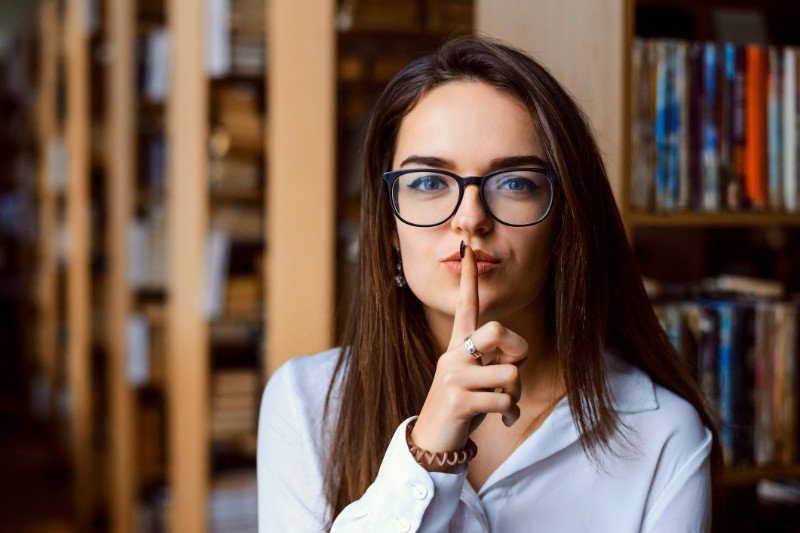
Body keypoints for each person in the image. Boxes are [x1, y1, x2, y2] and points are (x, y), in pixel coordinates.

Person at [257, 35, 721, 532]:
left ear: (565, 221)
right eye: (429, 183)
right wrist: (427, 454)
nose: (470, 218)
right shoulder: (307, 402)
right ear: (388, 229)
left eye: (515, 183)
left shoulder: (663, 434)